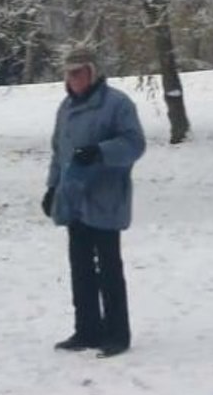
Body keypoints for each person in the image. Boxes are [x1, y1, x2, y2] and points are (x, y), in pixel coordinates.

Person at [42, 46, 146, 357]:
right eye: (69, 73)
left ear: (93, 72)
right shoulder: (65, 108)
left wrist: (101, 152)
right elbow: (57, 153)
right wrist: (51, 189)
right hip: (73, 201)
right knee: (81, 268)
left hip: (106, 200)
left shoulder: (118, 104)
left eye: (79, 72)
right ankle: (87, 329)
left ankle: (117, 334)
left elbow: (134, 144)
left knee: (109, 269)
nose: (73, 79)